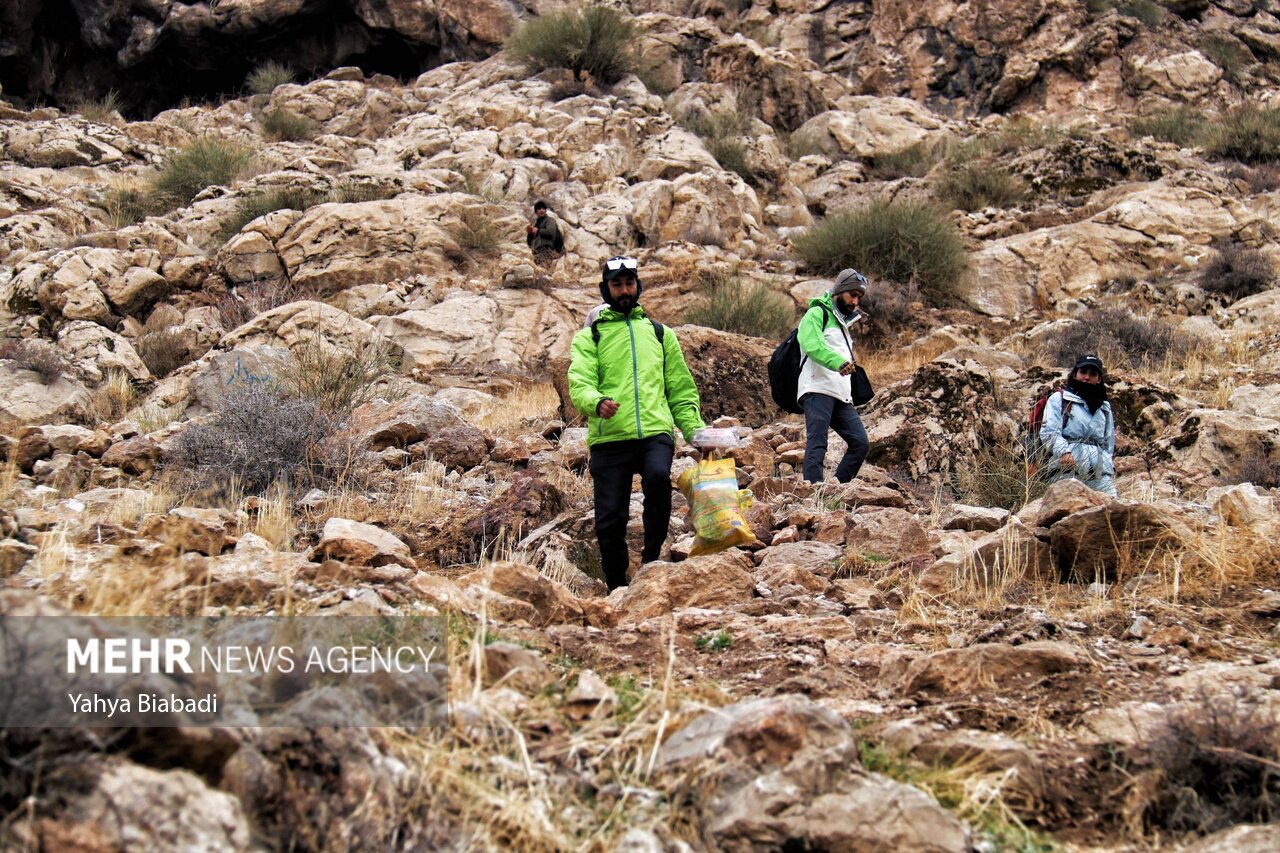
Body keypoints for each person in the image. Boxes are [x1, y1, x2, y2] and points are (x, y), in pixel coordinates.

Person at [567, 256, 707, 590]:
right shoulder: (591, 337)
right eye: (617, 285)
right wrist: (596, 402)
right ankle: (616, 584)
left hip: (655, 433)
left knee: (658, 479)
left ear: (638, 286)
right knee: (609, 518)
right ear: (606, 289)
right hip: (609, 437)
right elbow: (580, 380)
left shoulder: (661, 334)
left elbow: (680, 388)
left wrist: (695, 431)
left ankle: (651, 560)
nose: (624, 290)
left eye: (629, 283)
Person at [797, 268, 871, 484]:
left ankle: (835, 488)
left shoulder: (842, 323)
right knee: (818, 442)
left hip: (841, 394)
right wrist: (838, 362)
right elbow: (812, 345)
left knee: (860, 443)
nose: (855, 302)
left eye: (859, 298)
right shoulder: (816, 313)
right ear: (840, 290)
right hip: (817, 389)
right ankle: (812, 493)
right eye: (852, 295)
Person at [1040, 354, 1117, 496]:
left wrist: (1108, 464)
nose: (1087, 377)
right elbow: (1049, 432)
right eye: (1083, 372)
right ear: (1075, 374)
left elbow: (1109, 442)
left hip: (1100, 473)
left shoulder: (1104, 408)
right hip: (1066, 469)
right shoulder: (1059, 399)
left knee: (1111, 511)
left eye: (1092, 374)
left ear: (1099, 379)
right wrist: (1064, 451)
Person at [525, 200, 563, 266]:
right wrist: (530, 233)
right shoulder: (536, 224)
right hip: (536, 253)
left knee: (544, 269)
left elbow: (550, 232)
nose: (541, 210)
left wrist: (538, 231)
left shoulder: (550, 220)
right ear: (536, 212)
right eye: (539, 209)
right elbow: (529, 243)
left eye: (543, 208)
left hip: (546, 250)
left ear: (545, 210)